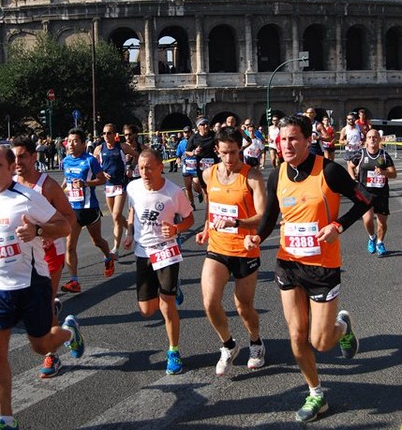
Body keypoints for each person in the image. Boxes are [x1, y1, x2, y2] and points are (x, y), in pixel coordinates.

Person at [244, 115, 373, 423]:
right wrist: (257, 237)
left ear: (306, 140)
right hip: (288, 264)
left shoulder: (328, 170)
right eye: (282, 139)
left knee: (321, 341)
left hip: (322, 267)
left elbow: (365, 199)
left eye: (293, 139)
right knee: (297, 335)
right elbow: (270, 216)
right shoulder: (278, 174)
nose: (286, 145)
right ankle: (316, 393)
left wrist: (338, 226)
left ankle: (342, 329)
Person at [0, 146, 84, 430]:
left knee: (41, 346)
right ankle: (7, 419)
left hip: (31, 285)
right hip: (0, 290)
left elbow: (64, 226)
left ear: (10, 169)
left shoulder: (27, 197)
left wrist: (36, 231)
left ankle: (69, 330)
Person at [196, 128, 267, 375]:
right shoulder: (208, 174)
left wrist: (236, 223)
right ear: (217, 150)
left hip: (245, 249)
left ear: (241, 150)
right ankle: (228, 345)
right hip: (217, 247)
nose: (229, 158)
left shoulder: (252, 177)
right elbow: (211, 206)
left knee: (243, 306)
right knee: (209, 302)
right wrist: (206, 227)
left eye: (234, 153)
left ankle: (256, 341)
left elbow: (262, 217)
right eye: (224, 153)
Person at [124, 148, 194, 375]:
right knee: (146, 310)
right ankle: (173, 289)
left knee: (167, 305)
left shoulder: (173, 192)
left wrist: (176, 228)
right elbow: (133, 210)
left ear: (160, 167)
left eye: (149, 168)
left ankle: (173, 351)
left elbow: (189, 218)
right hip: (142, 251)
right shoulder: (132, 187)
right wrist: (128, 233)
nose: (144, 172)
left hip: (166, 250)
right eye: (141, 168)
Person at [11, 137, 77, 379]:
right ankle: (65, 326)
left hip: (50, 252)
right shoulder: (11, 185)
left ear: (34, 157)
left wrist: (47, 234)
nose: (17, 162)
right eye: (14, 157)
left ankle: (52, 356)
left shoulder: (47, 186)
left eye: (22, 156)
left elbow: (69, 217)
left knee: (44, 302)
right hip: (21, 255)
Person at [62, 127, 114, 293]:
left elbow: (101, 180)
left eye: (75, 141)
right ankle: (74, 281)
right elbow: (67, 177)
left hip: (89, 208)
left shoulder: (90, 160)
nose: (71, 144)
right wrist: (59, 189)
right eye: (69, 141)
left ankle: (108, 257)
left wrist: (85, 184)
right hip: (73, 210)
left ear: (83, 144)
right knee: (70, 246)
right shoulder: (66, 161)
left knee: (97, 241)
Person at [349, 129, 397, 257]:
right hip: (365, 192)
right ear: (366, 140)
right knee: (368, 220)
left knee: (382, 222)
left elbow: (394, 174)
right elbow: (350, 165)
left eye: (375, 137)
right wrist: (353, 179)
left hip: (381, 193)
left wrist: (383, 173)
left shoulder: (384, 155)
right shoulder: (361, 153)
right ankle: (372, 237)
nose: (372, 139)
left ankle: (380, 243)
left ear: (379, 139)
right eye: (369, 137)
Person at [94, 123, 136, 259]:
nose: (106, 136)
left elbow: (138, 155)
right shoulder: (99, 149)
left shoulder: (122, 147)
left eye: (109, 133)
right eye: (104, 133)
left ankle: (115, 249)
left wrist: (130, 166)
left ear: (115, 135)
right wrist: (100, 173)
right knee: (115, 217)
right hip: (108, 186)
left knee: (117, 216)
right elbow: (93, 165)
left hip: (120, 185)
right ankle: (131, 230)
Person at [185, 117, 219, 202]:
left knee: (214, 187)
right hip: (201, 166)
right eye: (203, 124)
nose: (206, 126)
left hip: (213, 164)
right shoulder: (194, 138)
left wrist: (218, 150)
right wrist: (194, 153)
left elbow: (221, 145)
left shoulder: (214, 135)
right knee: (204, 188)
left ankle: (214, 204)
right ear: (198, 127)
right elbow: (187, 152)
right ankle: (208, 206)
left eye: (207, 124)